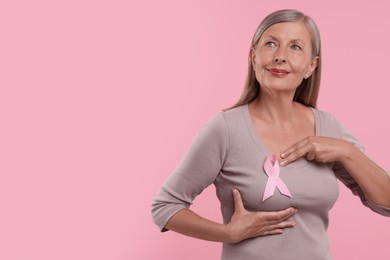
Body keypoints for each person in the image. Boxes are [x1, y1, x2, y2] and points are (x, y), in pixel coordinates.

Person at [151, 9, 390, 260]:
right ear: (254, 57)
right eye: (271, 44)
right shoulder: (225, 129)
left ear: (311, 66)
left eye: (295, 47)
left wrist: (347, 151)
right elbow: (165, 207)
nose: (280, 57)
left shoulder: (329, 127)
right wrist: (228, 233)